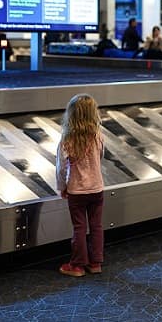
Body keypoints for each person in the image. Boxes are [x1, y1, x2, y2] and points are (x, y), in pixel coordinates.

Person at [56, 94, 106, 278]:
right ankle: (95, 263)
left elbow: (61, 168)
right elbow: (100, 157)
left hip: (77, 191)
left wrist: (62, 186)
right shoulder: (98, 136)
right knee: (96, 226)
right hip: (96, 188)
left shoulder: (67, 140)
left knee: (79, 227)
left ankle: (77, 265)